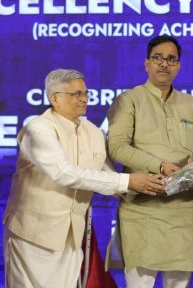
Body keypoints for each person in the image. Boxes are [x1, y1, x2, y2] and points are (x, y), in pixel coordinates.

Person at [2, 69, 164, 288]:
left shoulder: (94, 132)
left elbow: (107, 176)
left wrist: (154, 186)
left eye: (85, 93)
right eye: (76, 94)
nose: (84, 98)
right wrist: (128, 181)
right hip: (33, 235)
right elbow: (64, 173)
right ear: (54, 98)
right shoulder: (38, 128)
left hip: (72, 235)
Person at [106, 35, 193, 287]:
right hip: (142, 209)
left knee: (179, 283)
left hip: (183, 209)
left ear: (179, 66)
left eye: (171, 59)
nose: (164, 64)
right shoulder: (129, 99)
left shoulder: (190, 104)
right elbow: (117, 147)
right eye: (158, 58)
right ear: (146, 63)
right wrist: (160, 166)